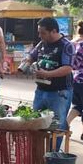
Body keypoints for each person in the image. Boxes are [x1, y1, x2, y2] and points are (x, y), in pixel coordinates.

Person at [22, 17, 75, 151]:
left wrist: (47, 74)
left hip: (59, 92)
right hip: (41, 90)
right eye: (39, 33)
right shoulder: (42, 43)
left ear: (53, 31)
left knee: (57, 125)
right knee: (35, 121)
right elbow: (32, 55)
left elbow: (67, 68)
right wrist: (27, 61)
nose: (40, 35)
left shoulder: (66, 45)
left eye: (43, 33)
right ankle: (37, 152)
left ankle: (52, 155)